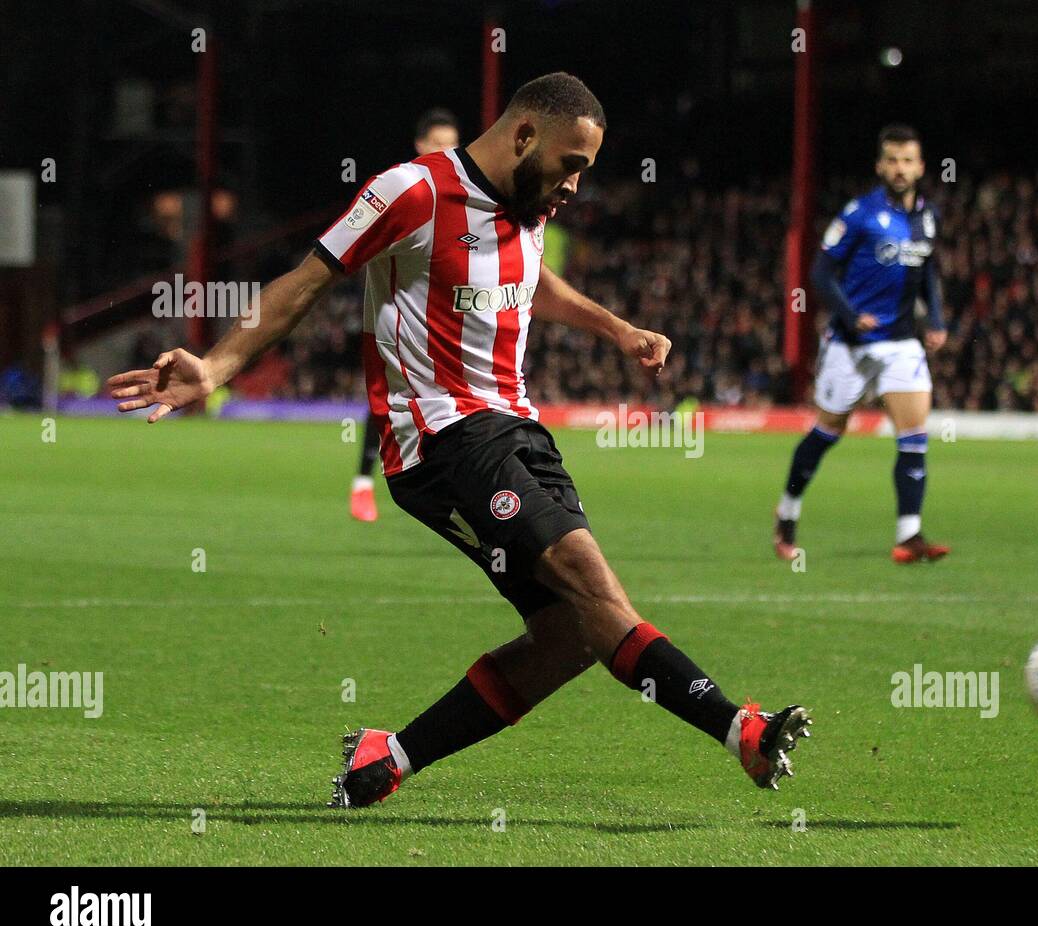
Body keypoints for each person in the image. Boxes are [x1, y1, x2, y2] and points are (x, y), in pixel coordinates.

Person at [108, 73, 811, 808]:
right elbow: (307, 280)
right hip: (443, 438)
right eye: (572, 163)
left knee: (573, 635)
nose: (576, 184)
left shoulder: (529, 202)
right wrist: (215, 366)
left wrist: (618, 330)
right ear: (525, 135)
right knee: (590, 581)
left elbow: (534, 282)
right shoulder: (412, 193)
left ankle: (392, 755)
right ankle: (740, 730)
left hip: (516, 431)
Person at [774, 124, 950, 564]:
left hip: (902, 343)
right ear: (880, 165)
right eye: (892, 159)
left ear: (921, 167)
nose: (900, 168)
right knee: (827, 432)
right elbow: (820, 273)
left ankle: (909, 535)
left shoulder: (927, 217)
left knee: (913, 436)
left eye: (908, 160)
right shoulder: (859, 214)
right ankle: (787, 514)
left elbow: (927, 273)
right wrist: (852, 316)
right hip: (851, 344)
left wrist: (938, 320)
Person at [350, 108, 461, 521]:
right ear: (420, 146)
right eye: (437, 143)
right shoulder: (399, 190)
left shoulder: (465, 198)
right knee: (388, 394)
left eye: (452, 144)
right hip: (396, 313)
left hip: (447, 320)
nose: (446, 151)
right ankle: (364, 482)